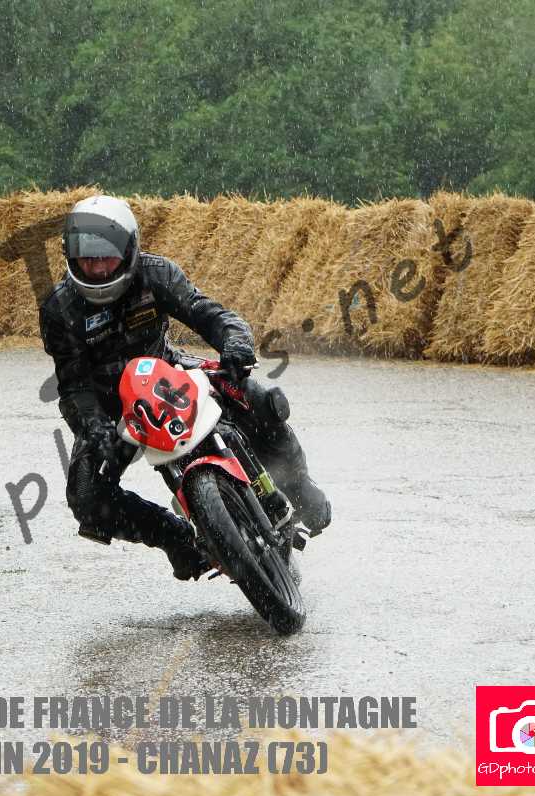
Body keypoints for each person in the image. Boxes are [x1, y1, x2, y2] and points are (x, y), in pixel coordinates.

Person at [38, 194, 331, 580]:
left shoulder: (156, 274)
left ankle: (298, 485)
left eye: (106, 257)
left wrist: (235, 343)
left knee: (262, 399)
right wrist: (92, 426)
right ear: (69, 257)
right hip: (111, 408)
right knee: (87, 497)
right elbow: (73, 384)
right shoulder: (59, 309)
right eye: (86, 259)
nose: (96, 267)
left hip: (169, 370)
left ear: (128, 250)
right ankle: (176, 538)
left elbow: (209, 314)